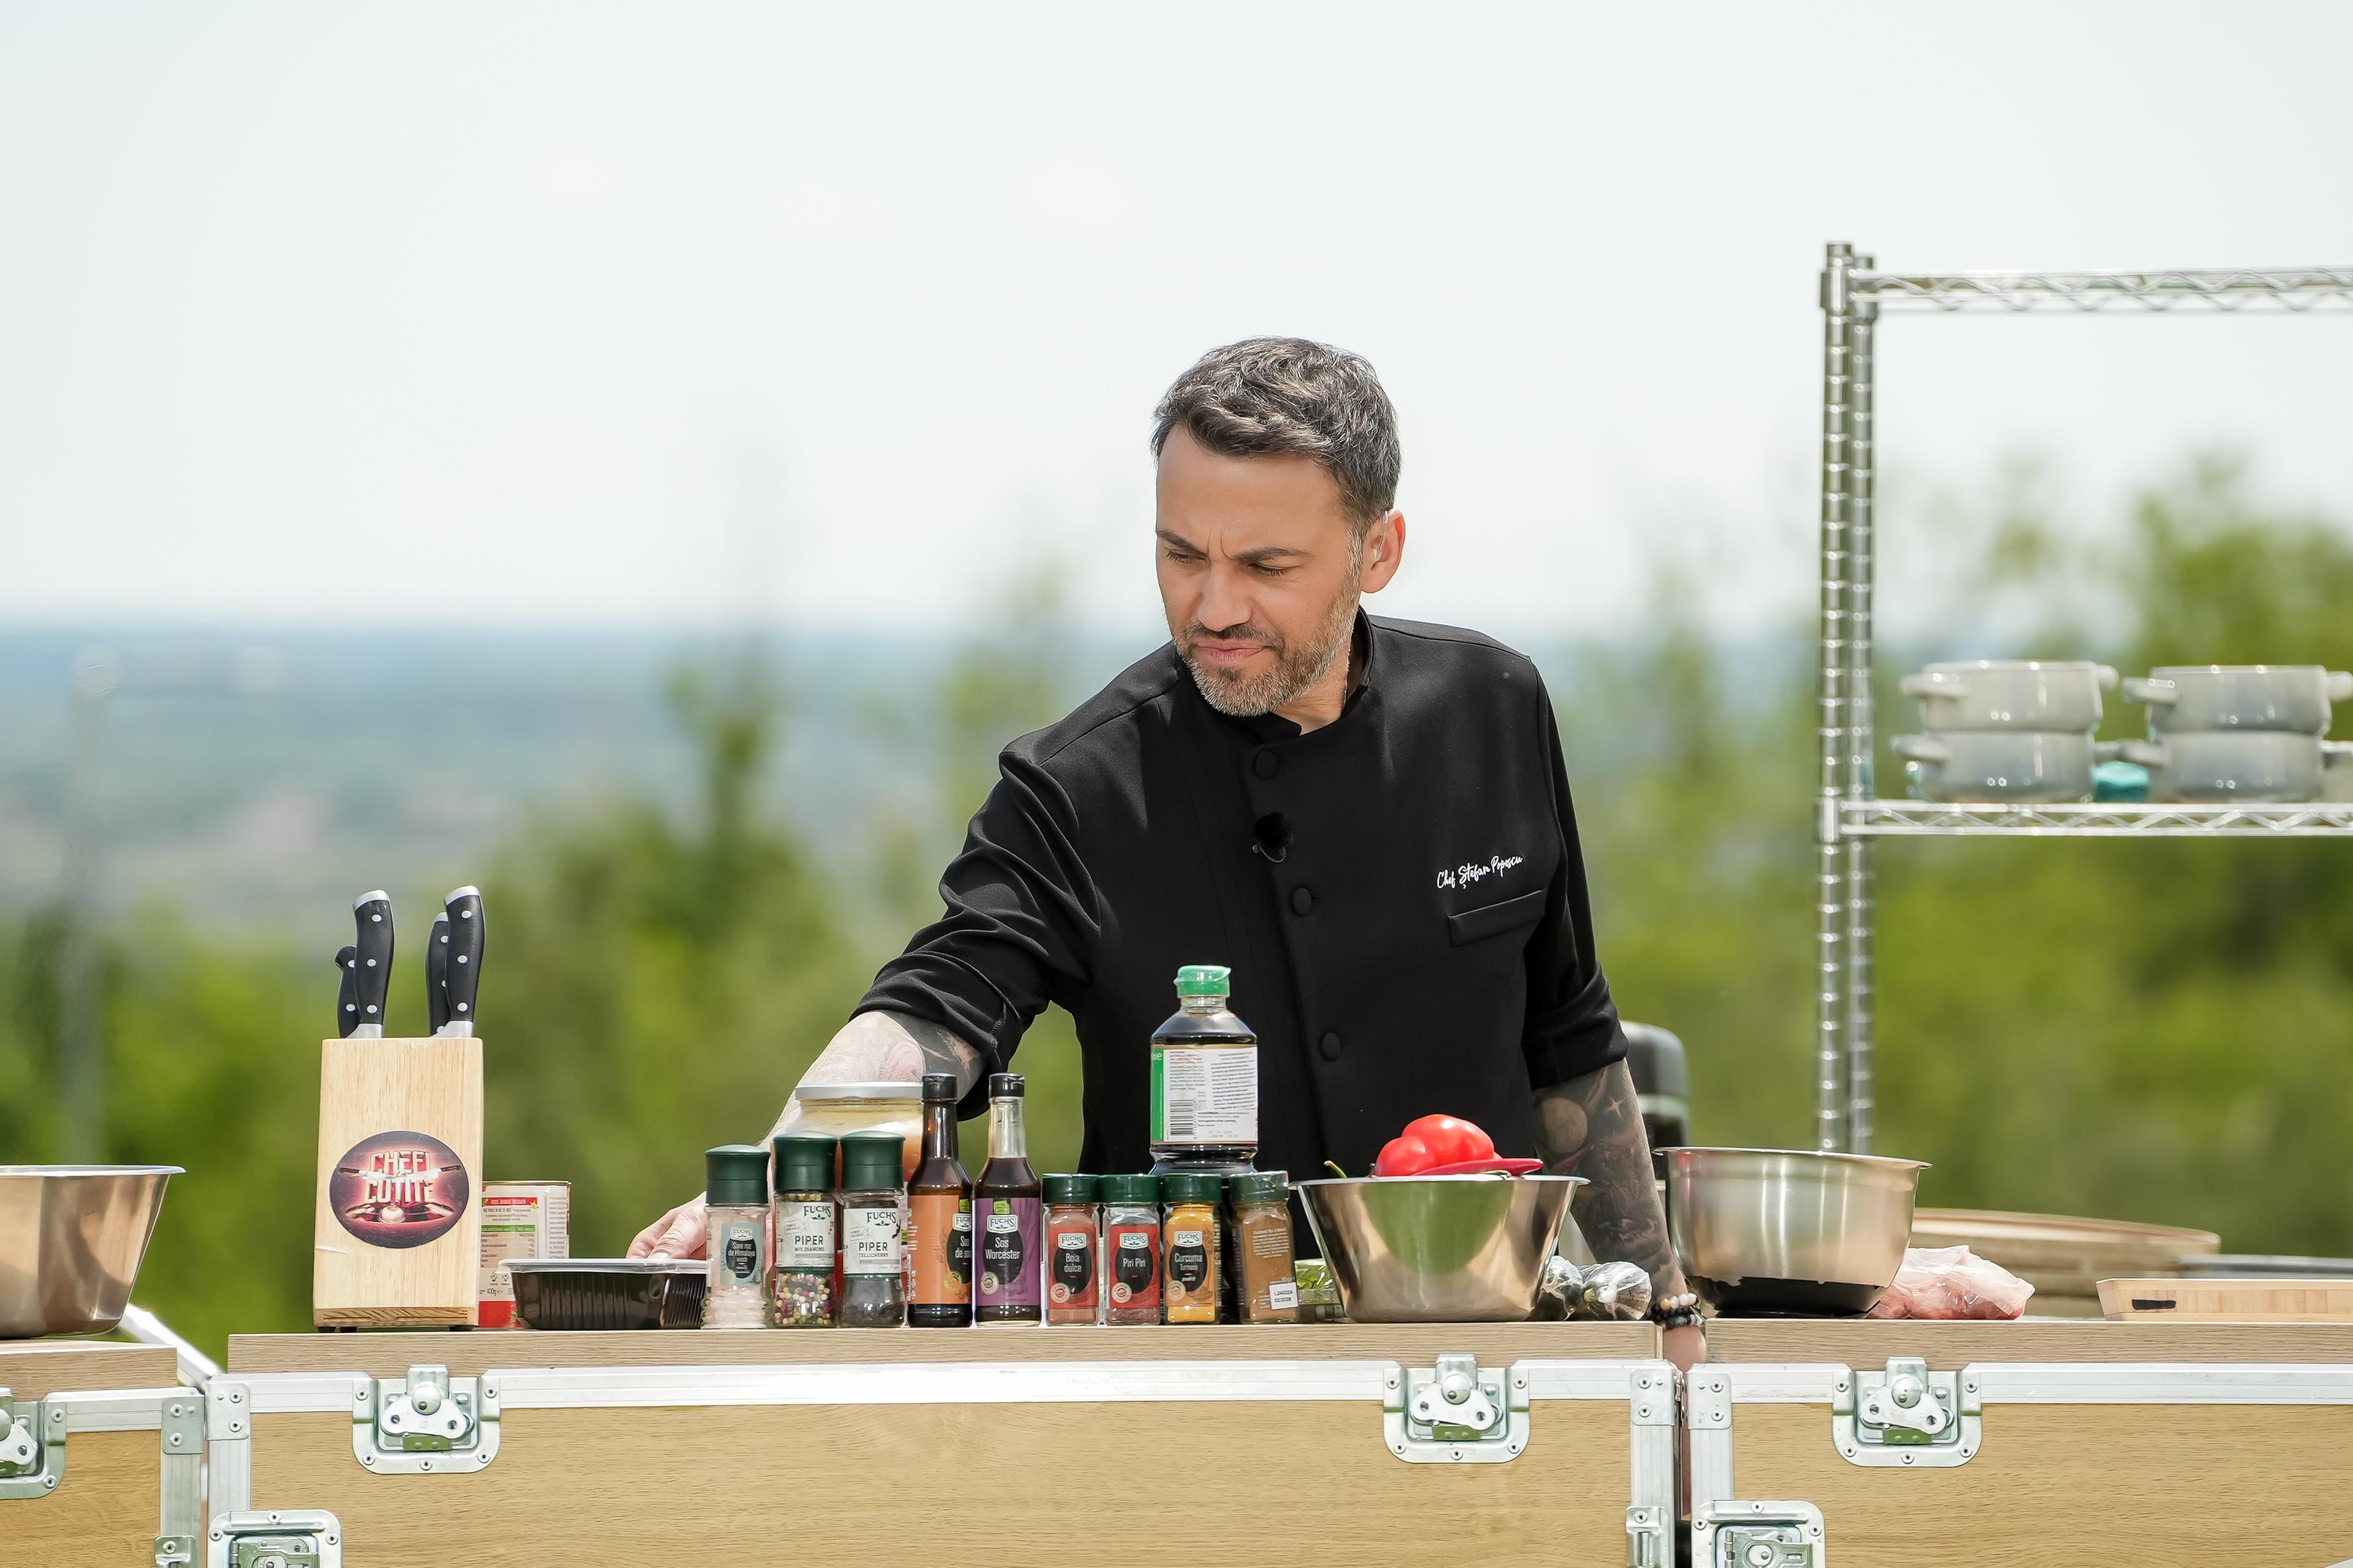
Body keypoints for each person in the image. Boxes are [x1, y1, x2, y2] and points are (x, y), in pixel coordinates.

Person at [631, 337, 1705, 1365]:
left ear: (1377, 551)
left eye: (1267, 564)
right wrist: (773, 1170)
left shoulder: (1495, 707)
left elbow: (1570, 1040)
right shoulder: (1079, 783)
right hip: (1186, 1367)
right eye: (1181, 553)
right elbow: (934, 1007)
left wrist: (1668, 1310)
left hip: (1486, 1365)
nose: (1214, 605)